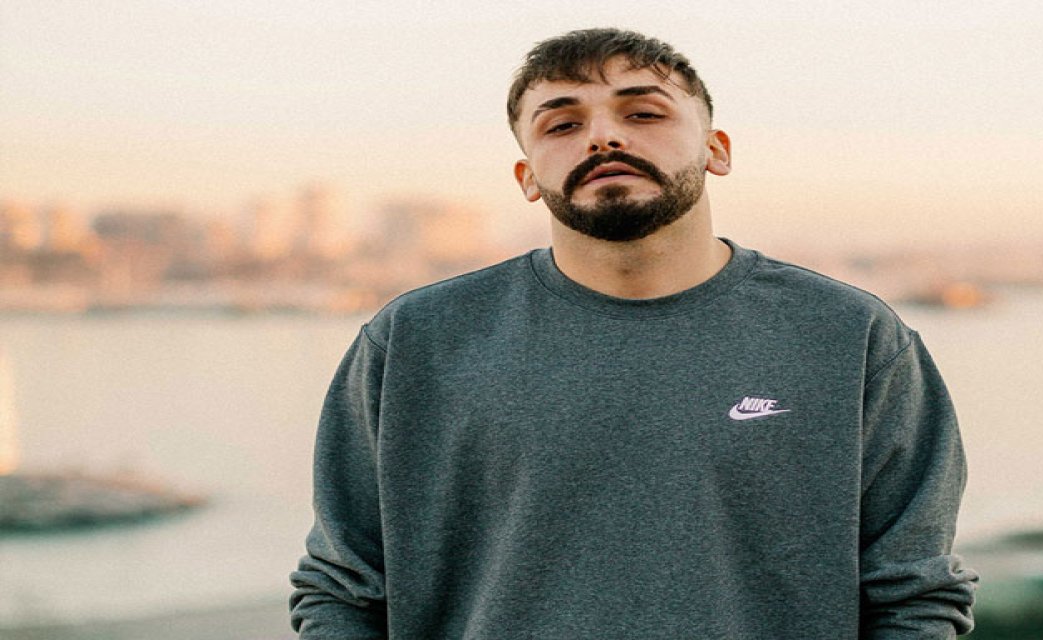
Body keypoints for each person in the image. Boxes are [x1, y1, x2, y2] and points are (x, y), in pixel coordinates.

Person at [290, 28, 977, 639]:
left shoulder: (849, 337)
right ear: (527, 177)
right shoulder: (417, 340)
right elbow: (342, 588)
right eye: (562, 124)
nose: (603, 138)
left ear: (716, 150)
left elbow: (914, 595)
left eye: (643, 113)